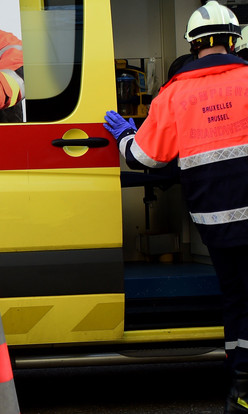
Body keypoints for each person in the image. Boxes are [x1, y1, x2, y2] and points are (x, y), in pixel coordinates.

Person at [103, 2, 248, 412]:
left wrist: (126, 134)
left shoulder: (174, 93)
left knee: (235, 298)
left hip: (215, 222)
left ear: (193, 45)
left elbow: (145, 158)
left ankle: (239, 384)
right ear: (234, 40)